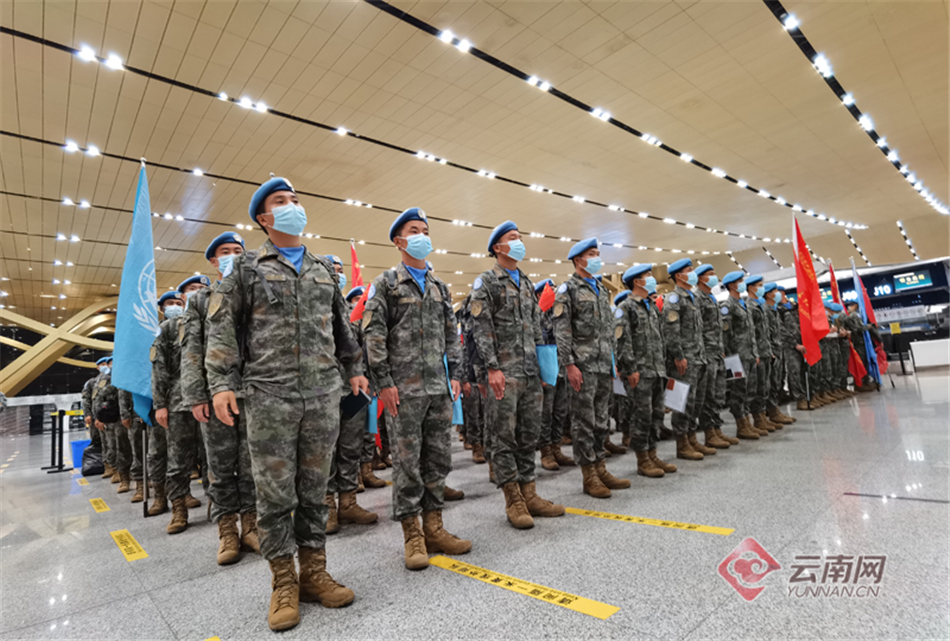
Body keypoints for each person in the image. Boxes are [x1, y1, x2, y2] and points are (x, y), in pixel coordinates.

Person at [207, 177, 366, 630]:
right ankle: (283, 581)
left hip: (322, 395)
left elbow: (341, 328)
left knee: (315, 490)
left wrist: (355, 367)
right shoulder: (246, 269)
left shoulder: (321, 269)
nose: (293, 206)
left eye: (295, 200)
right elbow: (222, 329)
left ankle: (314, 573)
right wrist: (220, 384)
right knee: (275, 495)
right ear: (264, 218)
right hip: (268, 397)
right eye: (281, 201)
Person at [363, 207, 472, 571]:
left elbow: (451, 335)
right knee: (407, 463)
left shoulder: (439, 287)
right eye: (414, 230)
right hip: (403, 391)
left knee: (438, 459)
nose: (422, 236)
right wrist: (384, 382)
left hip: (438, 387)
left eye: (425, 230)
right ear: (399, 241)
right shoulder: (386, 284)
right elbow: (373, 336)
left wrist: (455, 373)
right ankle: (412, 535)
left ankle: (434, 527)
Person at [470, 221, 564, 529]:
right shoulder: (487, 282)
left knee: (528, 435)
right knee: (503, 437)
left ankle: (530, 493)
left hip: (529, 372)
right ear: (498, 247)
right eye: (513, 238)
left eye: (520, 238)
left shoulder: (525, 281)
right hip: (504, 374)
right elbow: (481, 328)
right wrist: (492, 367)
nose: (519, 242)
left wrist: (543, 366)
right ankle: (513, 500)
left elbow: (536, 327)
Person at [180, 232, 260, 565]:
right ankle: (227, 530)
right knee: (220, 466)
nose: (233, 256)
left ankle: (252, 525)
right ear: (214, 261)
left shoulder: (256, 293)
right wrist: (197, 394)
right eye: (225, 252)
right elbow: (192, 350)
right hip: (216, 393)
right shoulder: (200, 301)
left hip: (255, 392)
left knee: (254, 463)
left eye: (238, 251)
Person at [552, 238, 629, 498]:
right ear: (578, 260)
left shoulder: (600, 289)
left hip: (602, 365)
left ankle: (600, 467)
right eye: (592, 254)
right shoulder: (568, 289)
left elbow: (607, 331)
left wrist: (612, 361)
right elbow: (562, 331)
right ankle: (589, 475)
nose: (597, 258)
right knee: (583, 422)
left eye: (597, 253)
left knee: (601, 420)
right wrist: (569, 364)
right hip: (582, 367)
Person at [325, 278, 379, 534]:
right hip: (323, 390)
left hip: (353, 390)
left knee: (350, 446)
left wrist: (368, 379)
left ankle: (348, 503)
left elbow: (361, 349)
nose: (335, 276)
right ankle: (326, 507)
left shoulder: (352, 314)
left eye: (337, 271)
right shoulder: (314, 307)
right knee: (325, 450)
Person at [615, 264, 677, 478]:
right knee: (641, 416)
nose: (652, 279)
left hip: (657, 370)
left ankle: (653, 453)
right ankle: (642, 459)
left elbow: (659, 340)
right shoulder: (626, 307)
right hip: (639, 372)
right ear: (637, 282)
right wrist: (630, 368)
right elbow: (622, 341)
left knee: (656, 415)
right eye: (648, 275)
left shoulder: (651, 307)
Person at [152, 287, 204, 535]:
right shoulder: (169, 328)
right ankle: (179, 509)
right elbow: (159, 367)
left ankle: (219, 507)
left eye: (202, 289)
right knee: (178, 459)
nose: (198, 293)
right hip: (178, 402)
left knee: (215, 459)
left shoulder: (211, 321)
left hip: (212, 400)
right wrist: (160, 404)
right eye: (193, 290)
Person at [662, 258, 714, 459]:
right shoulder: (674, 299)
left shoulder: (692, 298)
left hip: (698, 358)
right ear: (679, 276)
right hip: (684, 360)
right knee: (682, 402)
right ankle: (682, 444)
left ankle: (692, 438)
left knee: (696, 402)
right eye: (689, 270)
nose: (693, 274)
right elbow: (671, 332)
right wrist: (679, 356)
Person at [343, 286, 388, 491]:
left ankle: (367, 470)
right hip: (350, 384)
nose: (361, 303)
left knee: (369, 429)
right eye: (358, 300)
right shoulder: (347, 321)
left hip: (369, 382)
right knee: (351, 435)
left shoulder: (370, 322)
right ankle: (354, 477)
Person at [694, 264, 736, 448]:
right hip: (706, 354)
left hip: (717, 352)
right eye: (710, 274)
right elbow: (697, 330)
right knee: (708, 395)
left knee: (718, 394)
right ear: (700, 278)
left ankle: (717, 429)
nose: (714, 277)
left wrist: (722, 349)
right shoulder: (697, 298)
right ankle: (709, 433)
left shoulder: (711, 298)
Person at [720, 272, 760, 439]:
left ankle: (747, 422)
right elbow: (725, 333)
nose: (743, 283)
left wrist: (754, 352)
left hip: (748, 354)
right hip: (735, 357)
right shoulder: (727, 306)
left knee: (749, 389)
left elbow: (751, 332)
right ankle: (741, 425)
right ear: (732, 285)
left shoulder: (743, 304)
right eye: (740, 281)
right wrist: (729, 356)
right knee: (738, 391)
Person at [745, 275, 778, 434]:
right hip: (755, 353)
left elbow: (765, 333)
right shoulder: (749, 307)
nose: (761, 288)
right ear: (751, 288)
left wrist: (769, 350)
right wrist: (755, 352)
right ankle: (757, 418)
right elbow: (750, 333)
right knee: (755, 387)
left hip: (764, 351)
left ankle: (764, 415)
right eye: (759, 285)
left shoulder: (759, 305)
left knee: (765, 386)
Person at [92, 357, 132, 490]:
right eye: (108, 364)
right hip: (113, 416)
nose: (109, 365)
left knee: (131, 447)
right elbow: (99, 397)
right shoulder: (104, 379)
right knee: (116, 446)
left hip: (130, 413)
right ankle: (119, 473)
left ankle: (134, 475)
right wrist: (98, 417)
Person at [763, 283, 794, 425]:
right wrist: (769, 350)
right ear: (768, 294)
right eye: (775, 291)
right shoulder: (765, 310)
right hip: (770, 351)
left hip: (777, 349)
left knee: (777, 381)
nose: (779, 294)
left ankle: (775, 411)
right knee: (769, 384)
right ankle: (769, 413)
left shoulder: (774, 309)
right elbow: (764, 334)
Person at [611, 290, 634, 451]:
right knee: (625, 402)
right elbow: (618, 342)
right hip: (624, 365)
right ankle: (626, 433)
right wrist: (617, 364)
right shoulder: (620, 317)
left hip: (639, 364)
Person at [82, 370, 112, 479]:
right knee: (100, 442)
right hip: (97, 418)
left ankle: (112, 467)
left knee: (110, 443)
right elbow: (87, 399)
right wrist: (87, 414)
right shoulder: (92, 382)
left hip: (109, 416)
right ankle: (105, 465)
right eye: (103, 364)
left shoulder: (112, 378)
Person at [118, 389, 146, 502]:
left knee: (159, 453)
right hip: (136, 415)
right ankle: (141, 485)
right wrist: (125, 414)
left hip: (158, 410)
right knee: (138, 452)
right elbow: (123, 389)